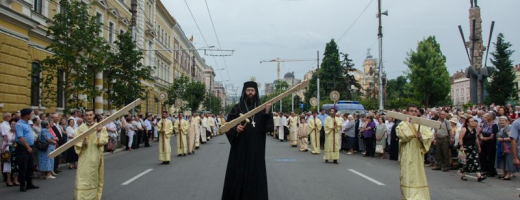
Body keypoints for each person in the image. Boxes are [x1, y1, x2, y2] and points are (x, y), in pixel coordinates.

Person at [222, 81, 273, 200]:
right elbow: (227, 126)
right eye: (248, 90)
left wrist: (267, 111)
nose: (250, 93)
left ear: (256, 92)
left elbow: (269, 128)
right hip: (240, 149)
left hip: (256, 150)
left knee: (255, 175)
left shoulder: (262, 107)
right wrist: (236, 128)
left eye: (253, 90)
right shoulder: (237, 107)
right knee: (238, 175)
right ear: (244, 92)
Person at [396, 105, 433, 200]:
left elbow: (429, 136)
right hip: (407, 152)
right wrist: (411, 130)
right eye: (411, 111)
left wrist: (421, 137)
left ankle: (421, 196)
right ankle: (408, 196)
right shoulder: (402, 124)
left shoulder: (421, 124)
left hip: (417, 152)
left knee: (418, 173)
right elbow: (401, 134)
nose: (413, 113)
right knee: (407, 174)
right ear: (407, 112)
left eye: (415, 111)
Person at [74, 109, 108, 199]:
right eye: (87, 115)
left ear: (93, 116)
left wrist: (98, 132)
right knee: (82, 177)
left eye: (90, 115)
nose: (89, 117)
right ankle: (80, 197)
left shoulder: (100, 127)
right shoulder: (80, 128)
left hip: (95, 157)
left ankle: (94, 197)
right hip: (84, 157)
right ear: (84, 116)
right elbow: (76, 142)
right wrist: (82, 143)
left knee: (93, 177)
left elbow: (104, 141)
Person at [15, 108, 39, 192]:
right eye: (31, 114)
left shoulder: (27, 123)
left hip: (30, 147)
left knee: (30, 166)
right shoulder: (19, 124)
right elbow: (20, 138)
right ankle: (22, 185)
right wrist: (28, 147)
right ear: (26, 115)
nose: (31, 115)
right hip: (23, 148)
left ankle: (29, 183)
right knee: (23, 166)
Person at [458, 117, 486, 182]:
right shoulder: (464, 129)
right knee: (465, 162)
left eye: (474, 121)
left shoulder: (474, 130)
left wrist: (478, 146)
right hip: (465, 147)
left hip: (473, 147)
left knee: (476, 161)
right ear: (468, 123)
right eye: (471, 121)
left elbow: (476, 139)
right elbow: (460, 138)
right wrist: (461, 146)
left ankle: (479, 176)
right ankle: (463, 175)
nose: (473, 122)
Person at [479, 113, 498, 177]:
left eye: (488, 116)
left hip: (491, 143)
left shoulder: (494, 125)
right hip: (484, 142)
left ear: (492, 117)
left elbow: (493, 135)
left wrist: (485, 138)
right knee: (483, 155)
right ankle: (484, 169)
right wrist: (481, 137)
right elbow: (481, 131)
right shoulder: (485, 123)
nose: (486, 117)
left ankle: (491, 171)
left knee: (491, 156)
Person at [2, 118, 19, 186]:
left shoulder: (18, 133)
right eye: (11, 124)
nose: (13, 125)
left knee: (16, 165)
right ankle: (8, 180)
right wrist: (3, 149)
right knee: (8, 165)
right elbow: (5, 142)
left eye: (14, 124)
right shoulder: (7, 133)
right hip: (9, 150)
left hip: (17, 150)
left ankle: (15, 180)